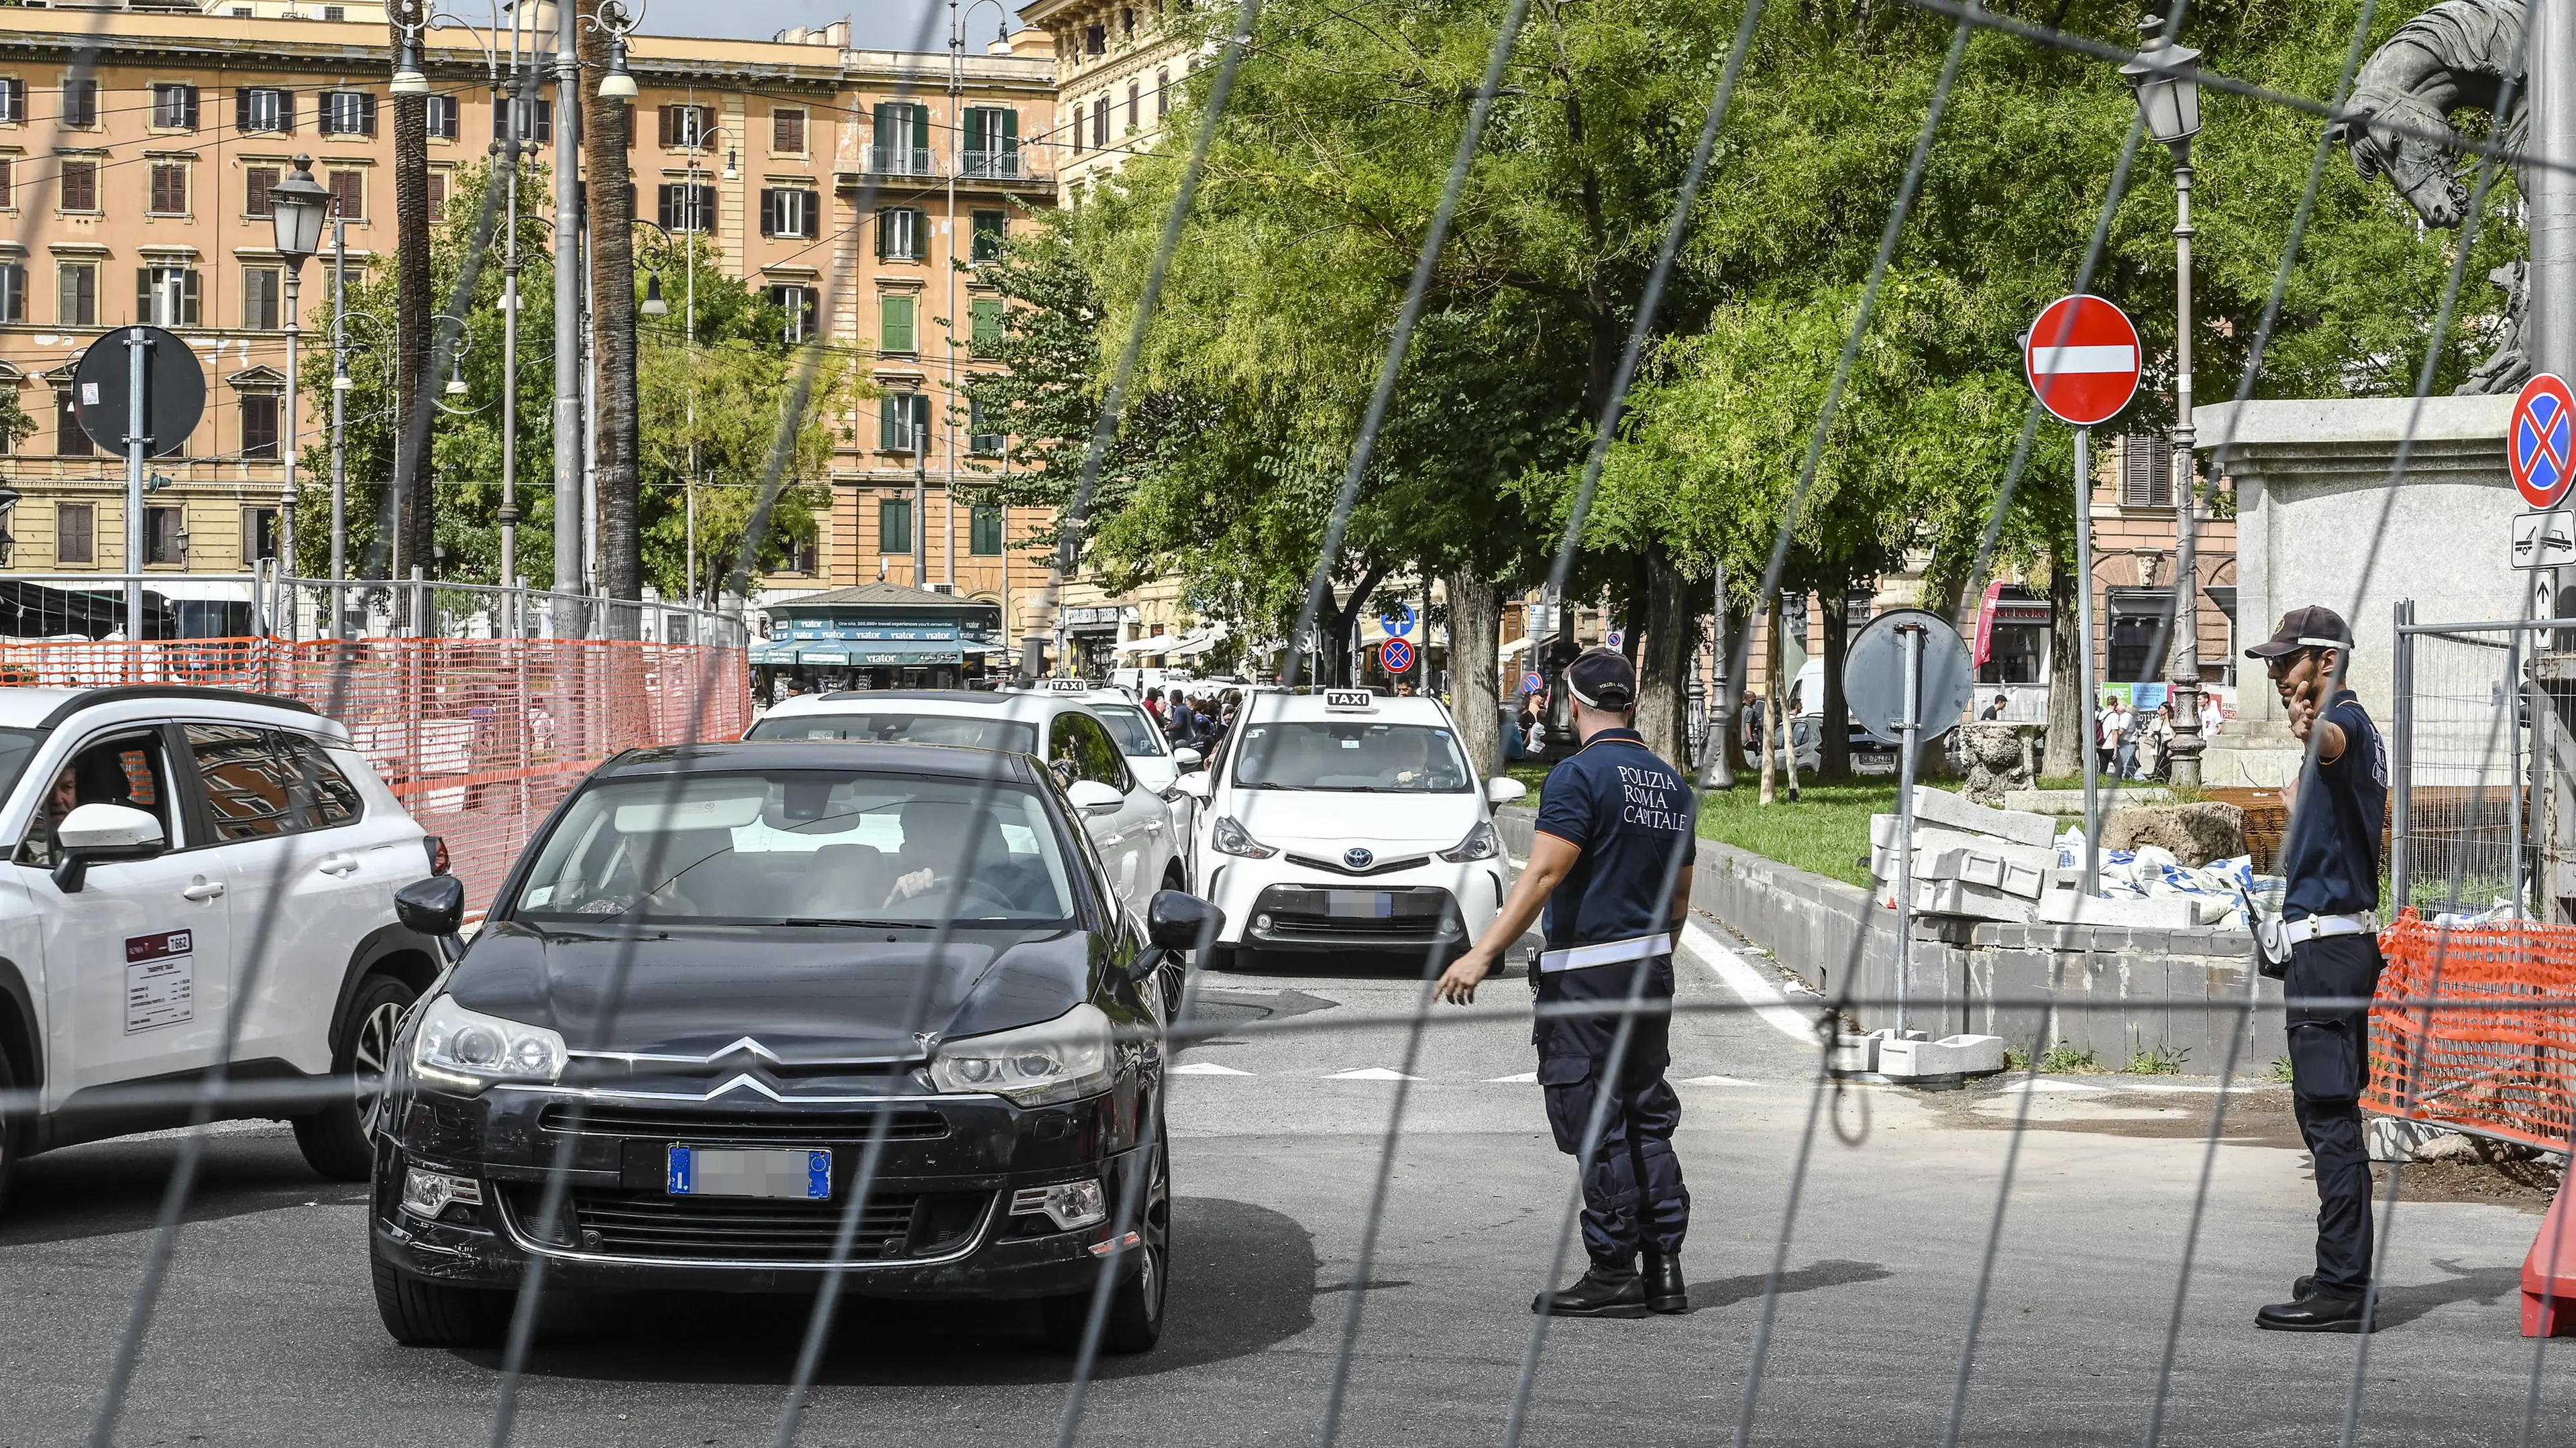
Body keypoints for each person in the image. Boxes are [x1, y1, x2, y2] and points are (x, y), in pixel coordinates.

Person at [1436, 648, 1694, 1319]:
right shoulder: (1671, 784)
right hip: (1650, 971)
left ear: (1571, 704)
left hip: (1588, 978)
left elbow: (1545, 874)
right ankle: (1664, 1265)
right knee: (1645, 1114)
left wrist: (1481, 952)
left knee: (1596, 1118)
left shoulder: (1578, 777)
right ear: (1631, 703)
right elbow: (1679, 902)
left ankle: (1613, 1269)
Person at [2247, 606, 2387, 1333]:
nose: (2274, 675)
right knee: (2326, 1110)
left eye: (2285, 663)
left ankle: (2342, 1289)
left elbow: (2331, 739)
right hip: (2331, 948)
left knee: (2329, 1115)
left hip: (2330, 953)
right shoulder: (2350, 730)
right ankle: (2341, 1267)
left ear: (2324, 663)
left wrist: (2314, 727)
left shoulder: (2346, 725)